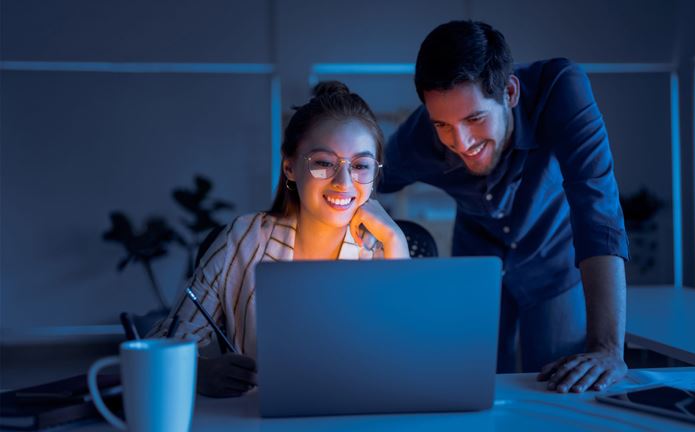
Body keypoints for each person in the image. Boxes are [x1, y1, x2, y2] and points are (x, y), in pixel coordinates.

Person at [378, 20, 630, 393]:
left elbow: (597, 208)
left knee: (562, 387)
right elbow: (355, 184)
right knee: (473, 387)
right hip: (476, 258)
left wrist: (609, 348)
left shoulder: (561, 88)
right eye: (443, 125)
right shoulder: (418, 138)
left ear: (510, 92)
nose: (460, 142)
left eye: (475, 118)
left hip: (554, 257)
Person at [149, 81, 410, 397]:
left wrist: (396, 240)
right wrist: (199, 373)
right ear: (290, 167)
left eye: (360, 166)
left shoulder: (384, 249)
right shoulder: (245, 239)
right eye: (324, 163)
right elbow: (159, 349)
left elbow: (407, 365)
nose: (344, 182)